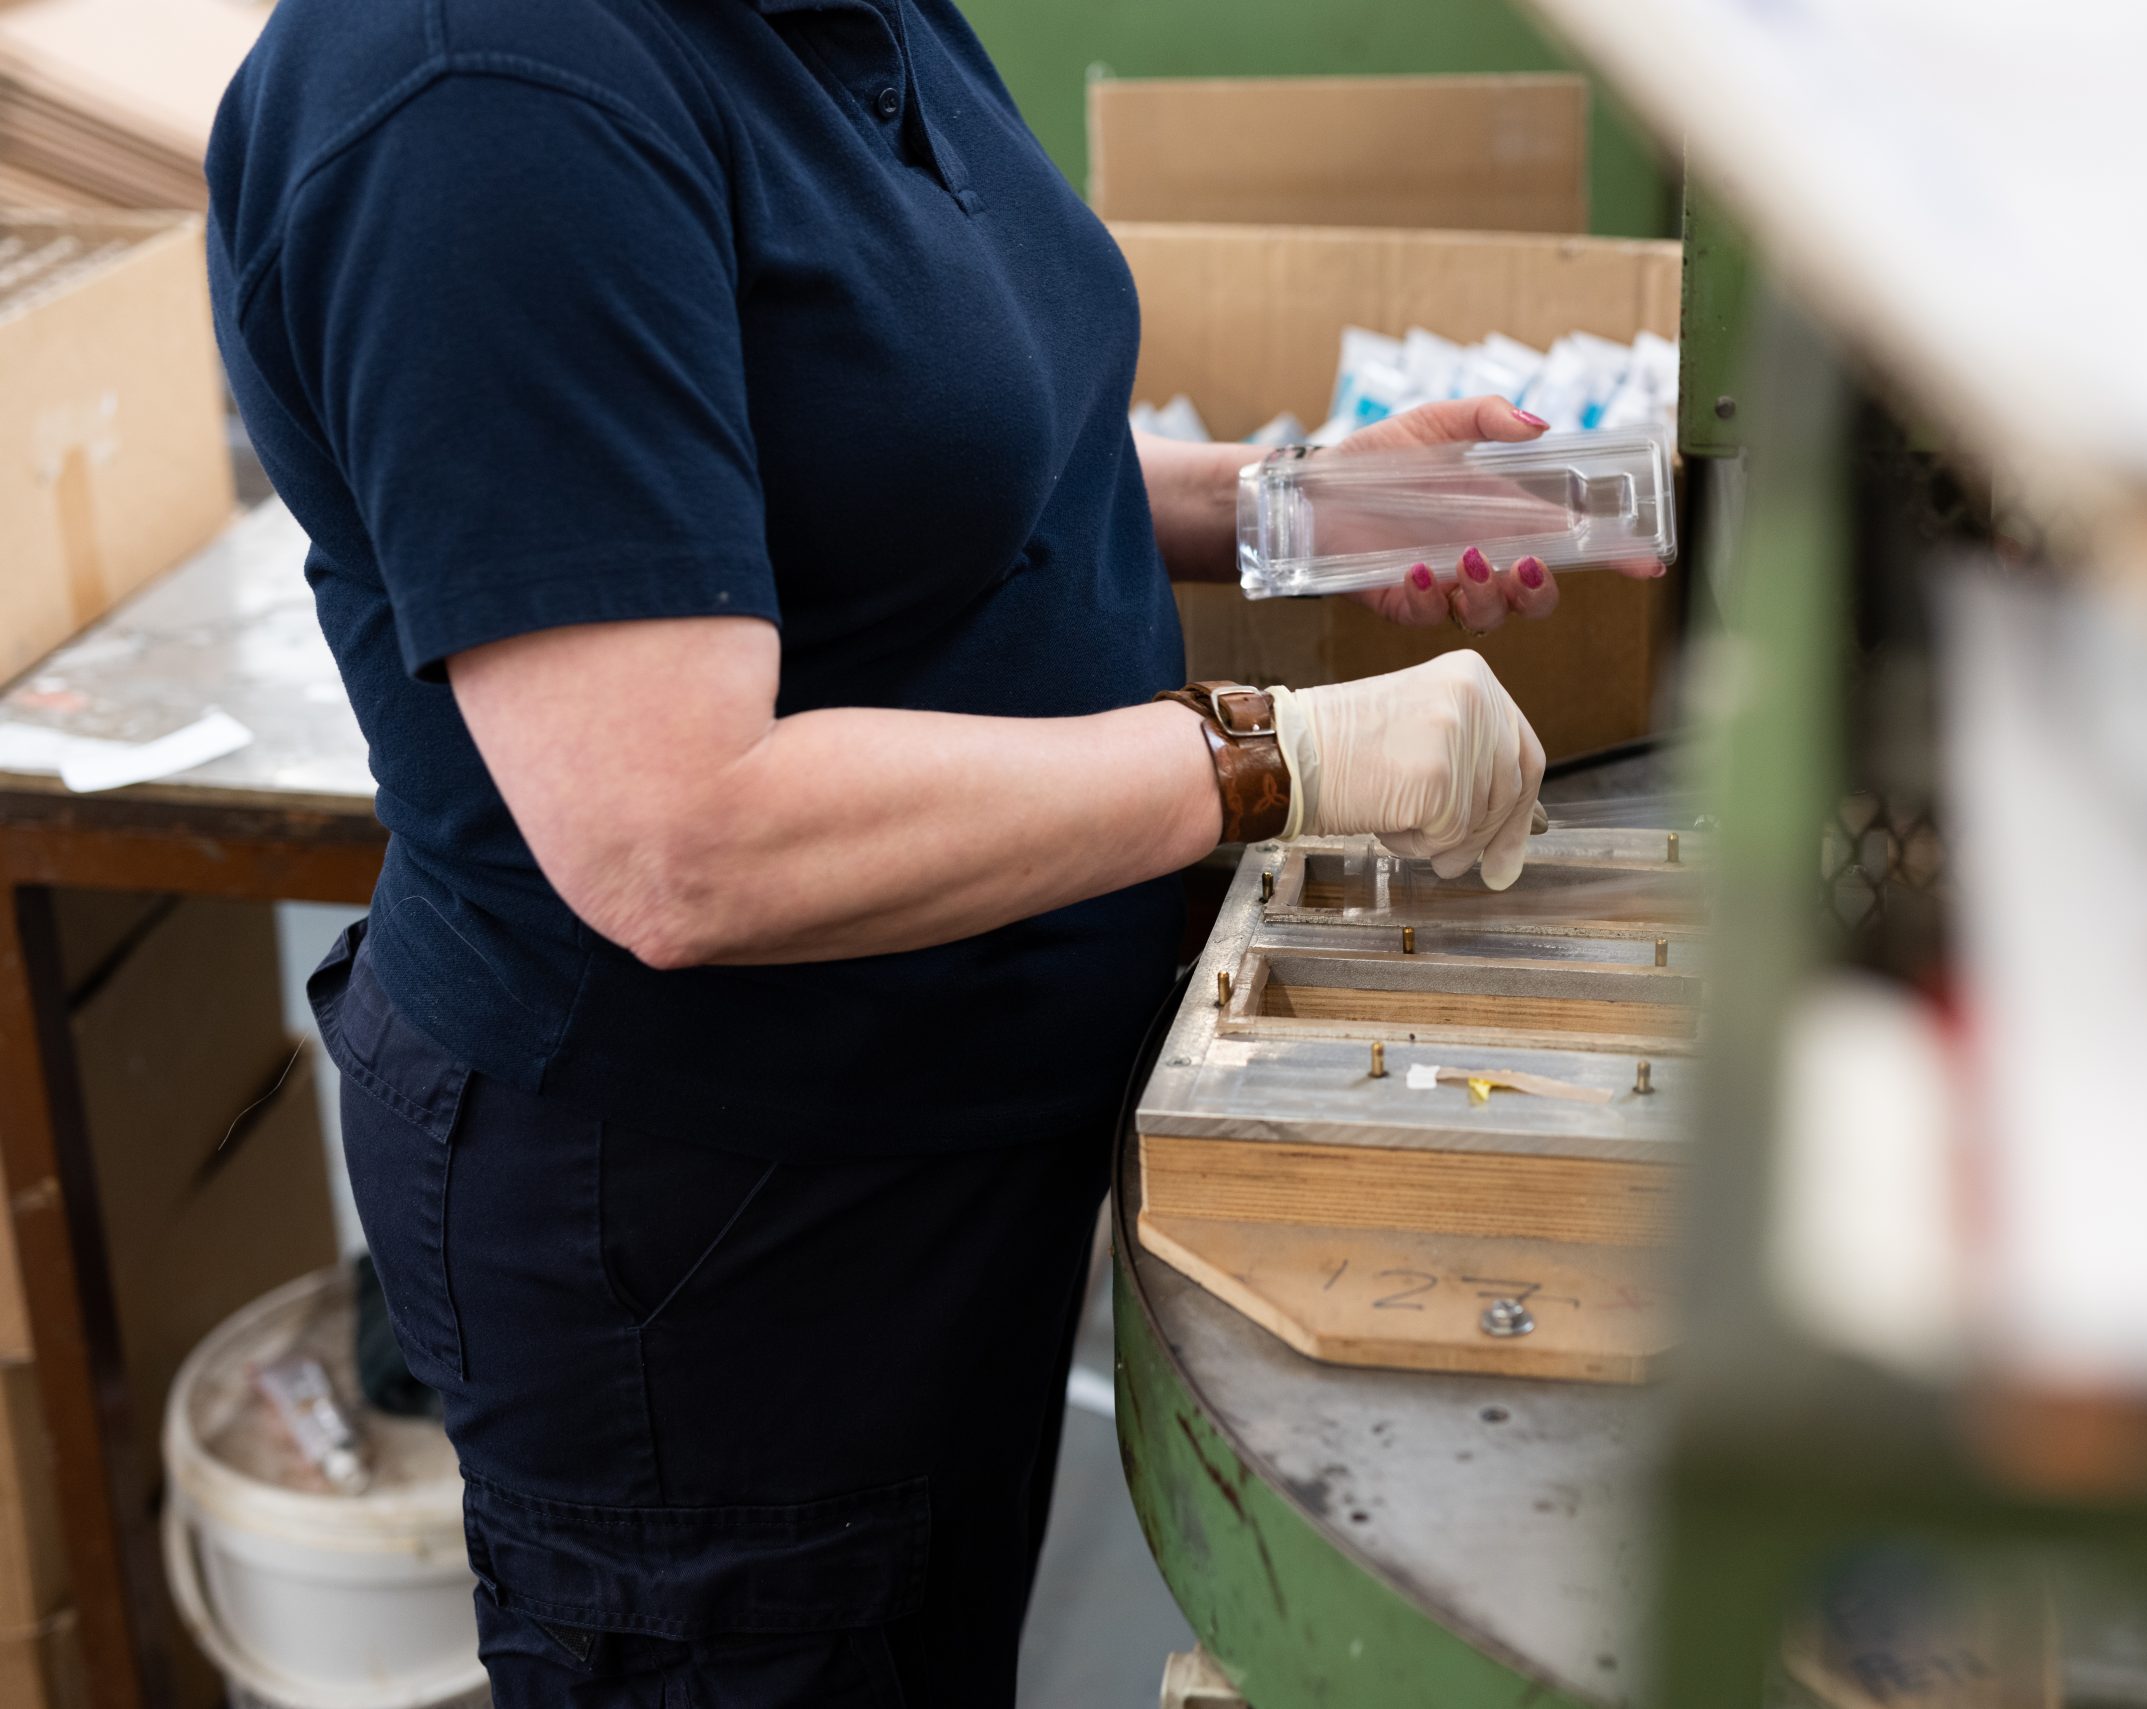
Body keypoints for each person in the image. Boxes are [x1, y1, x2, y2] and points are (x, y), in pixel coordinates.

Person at [205, 0, 1645, 1702]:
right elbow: (683, 838)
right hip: (719, 1238)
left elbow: (902, 437)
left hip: (937, 1132)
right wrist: (1281, 753)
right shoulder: (482, 100)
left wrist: (1302, 505)